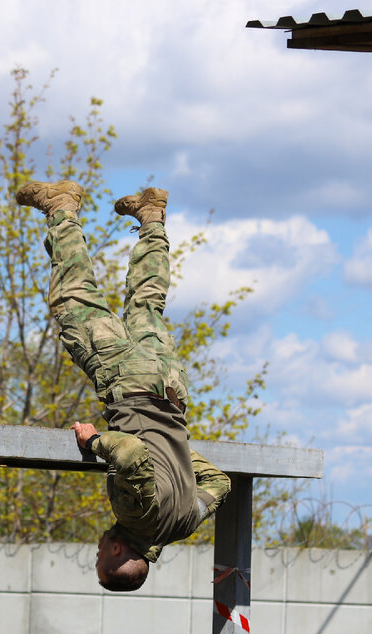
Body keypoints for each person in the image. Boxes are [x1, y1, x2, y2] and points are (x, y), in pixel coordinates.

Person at [16, 179, 232, 591]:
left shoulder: (183, 524)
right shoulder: (136, 518)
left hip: (169, 384)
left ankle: (152, 217)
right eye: (99, 556)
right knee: (74, 300)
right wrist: (94, 442)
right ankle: (60, 206)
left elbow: (218, 483)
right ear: (117, 554)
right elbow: (131, 451)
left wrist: (177, 452)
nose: (97, 547)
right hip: (129, 383)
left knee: (146, 301)